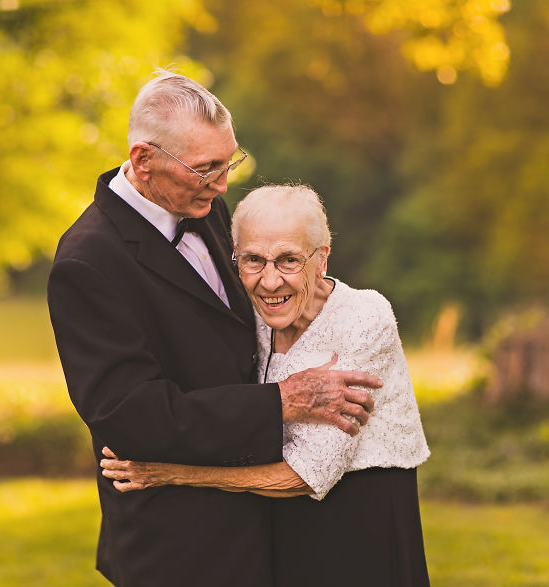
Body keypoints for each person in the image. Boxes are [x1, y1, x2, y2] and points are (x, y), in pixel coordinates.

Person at [47, 72, 382, 587]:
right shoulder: (87, 262)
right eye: (207, 170)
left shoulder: (203, 204)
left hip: (267, 514)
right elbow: (133, 416)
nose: (224, 184)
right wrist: (282, 402)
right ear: (143, 161)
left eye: (229, 164)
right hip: (179, 540)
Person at [100, 184, 431, 586]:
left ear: (322, 258)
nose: (270, 282)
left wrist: (172, 473)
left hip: (363, 519)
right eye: (253, 260)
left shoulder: (363, 316)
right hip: (276, 522)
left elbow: (307, 475)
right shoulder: (250, 317)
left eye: (289, 260)